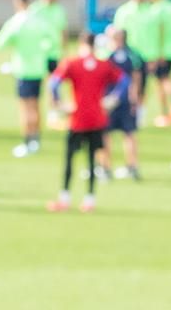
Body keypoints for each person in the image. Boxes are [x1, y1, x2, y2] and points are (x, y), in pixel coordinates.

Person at [46, 33, 124, 214]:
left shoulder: (72, 63)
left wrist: (59, 103)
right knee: (92, 160)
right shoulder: (104, 65)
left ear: (81, 44)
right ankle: (90, 200)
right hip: (97, 119)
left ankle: (65, 198)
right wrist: (113, 98)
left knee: (69, 160)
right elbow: (124, 80)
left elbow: (53, 83)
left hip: (77, 119)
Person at [0, 0, 58, 158]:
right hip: (38, 68)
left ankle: (27, 141)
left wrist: (17, 43)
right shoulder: (38, 20)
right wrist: (42, 49)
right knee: (36, 106)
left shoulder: (16, 22)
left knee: (25, 108)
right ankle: (36, 140)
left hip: (23, 69)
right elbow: (53, 39)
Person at [96, 25, 145, 181]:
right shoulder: (133, 54)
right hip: (125, 100)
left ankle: (106, 168)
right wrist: (136, 98)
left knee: (107, 135)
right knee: (128, 133)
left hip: (109, 101)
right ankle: (130, 167)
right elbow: (137, 78)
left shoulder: (105, 55)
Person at [111, 0, 163, 119]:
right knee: (125, 84)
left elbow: (157, 36)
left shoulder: (153, 11)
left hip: (146, 55)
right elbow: (116, 33)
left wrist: (155, 56)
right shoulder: (123, 11)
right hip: (128, 55)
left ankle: (139, 113)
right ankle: (124, 112)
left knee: (142, 86)